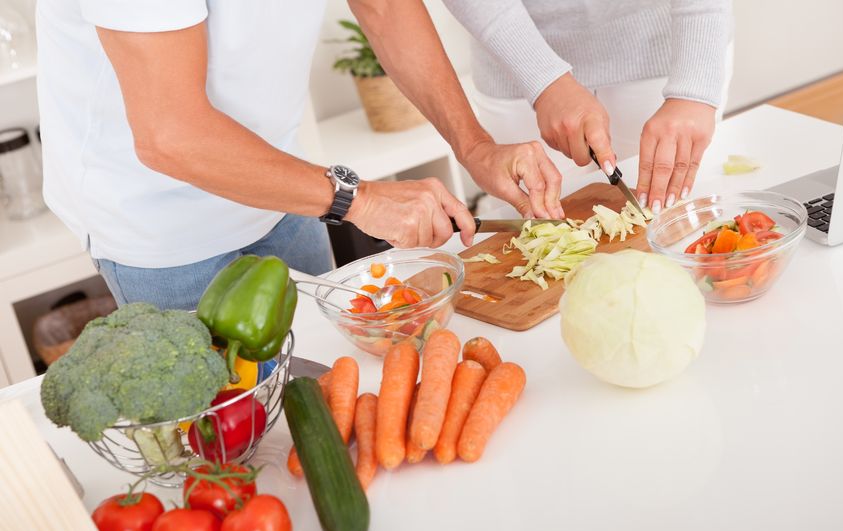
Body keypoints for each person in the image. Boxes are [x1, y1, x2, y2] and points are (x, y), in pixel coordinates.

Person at [36, 1, 564, 310]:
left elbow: (386, 7)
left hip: (285, 183)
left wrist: (473, 146)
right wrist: (361, 201)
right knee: (227, 455)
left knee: (318, 400)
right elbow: (171, 135)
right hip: (162, 227)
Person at [443, 0, 733, 215]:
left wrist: (695, 87)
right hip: (512, 57)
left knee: (683, 225)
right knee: (536, 234)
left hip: (672, 54)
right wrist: (543, 80)